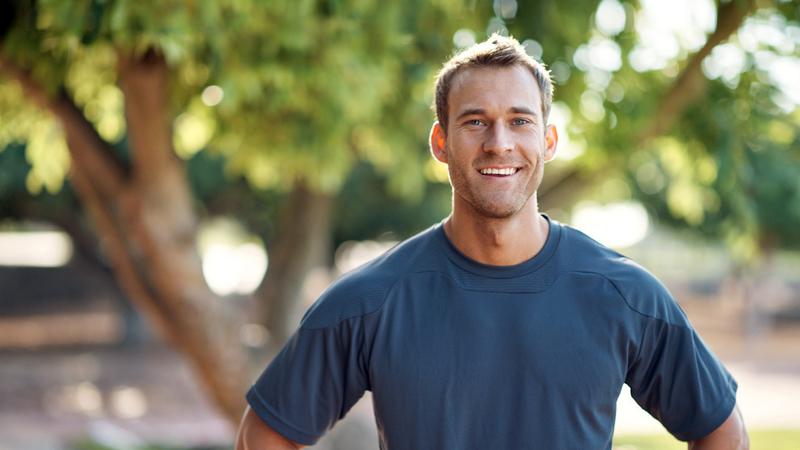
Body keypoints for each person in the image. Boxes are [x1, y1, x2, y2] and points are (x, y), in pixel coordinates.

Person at [235, 34, 748, 450]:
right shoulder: (372, 301)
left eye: (520, 121)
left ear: (548, 141)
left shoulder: (624, 295)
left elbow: (721, 431)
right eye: (475, 121)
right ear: (442, 142)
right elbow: (264, 436)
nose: (498, 141)